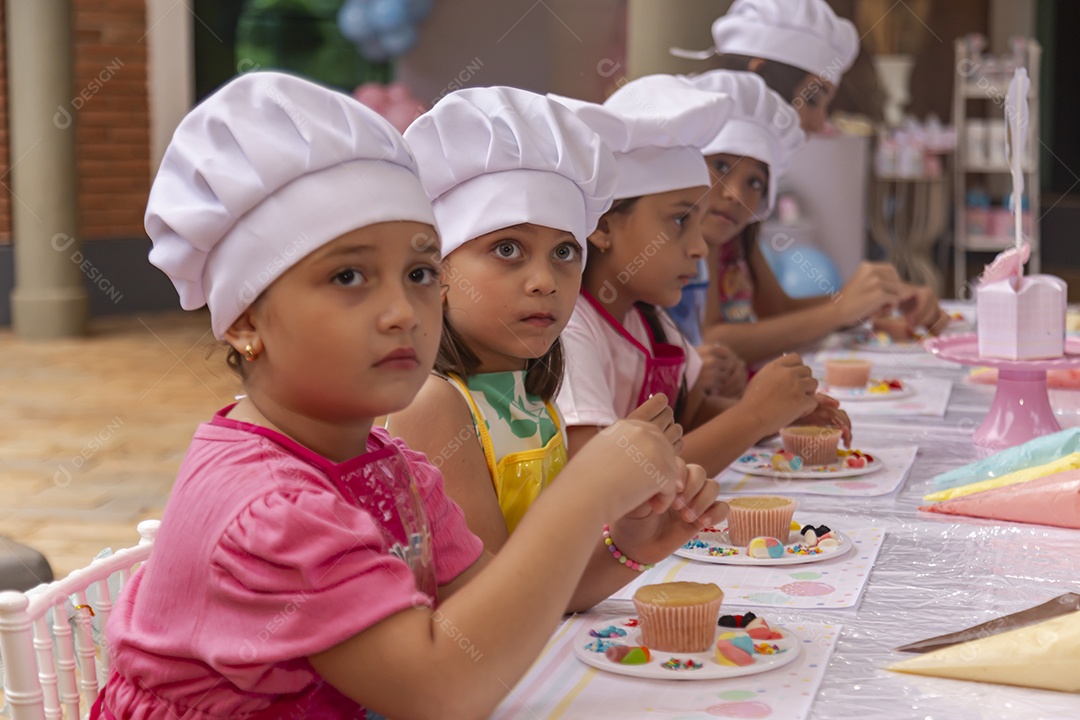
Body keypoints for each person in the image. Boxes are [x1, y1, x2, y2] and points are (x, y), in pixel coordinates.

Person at [92, 71, 722, 720]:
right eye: (348, 275)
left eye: (419, 272)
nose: (402, 311)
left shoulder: (393, 468)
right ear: (246, 321)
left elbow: (493, 618)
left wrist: (633, 542)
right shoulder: (271, 509)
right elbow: (441, 688)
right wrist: (588, 487)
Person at [390, 87, 723, 571]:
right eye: (508, 249)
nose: (545, 281)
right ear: (438, 272)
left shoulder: (531, 396)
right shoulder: (434, 404)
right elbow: (494, 600)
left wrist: (639, 542)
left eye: (565, 253)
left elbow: (550, 586)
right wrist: (596, 485)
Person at [552, 75, 850, 478]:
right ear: (602, 226)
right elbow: (604, 484)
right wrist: (754, 415)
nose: (700, 248)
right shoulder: (572, 334)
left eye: (699, 223)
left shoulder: (651, 323)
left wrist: (783, 414)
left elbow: (694, 415)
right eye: (679, 221)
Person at [674, 0, 948, 343]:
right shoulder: (698, 199)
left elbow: (775, 310)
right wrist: (840, 311)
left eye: (755, 182)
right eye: (814, 99)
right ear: (757, 77)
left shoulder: (739, 214)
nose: (819, 124)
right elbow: (712, 338)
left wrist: (870, 309)